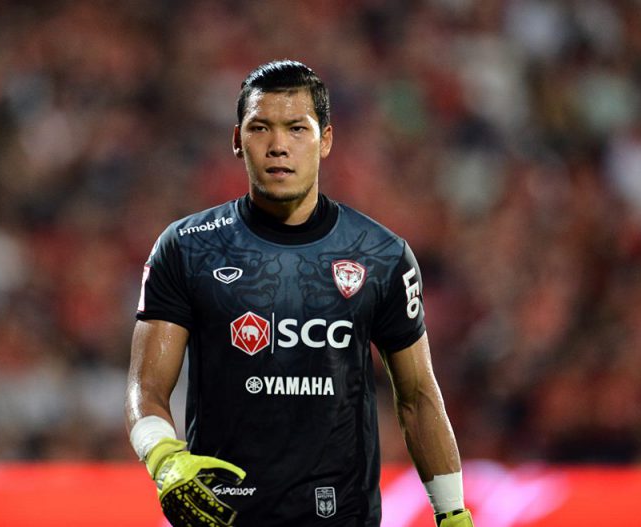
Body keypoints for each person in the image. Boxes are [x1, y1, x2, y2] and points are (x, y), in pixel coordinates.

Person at [125, 60, 474, 527]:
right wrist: (163, 456)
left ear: (325, 140)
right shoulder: (187, 248)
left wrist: (452, 513)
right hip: (225, 518)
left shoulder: (381, 255)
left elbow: (417, 396)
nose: (278, 146)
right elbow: (146, 387)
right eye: (260, 128)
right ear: (237, 140)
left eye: (296, 128)